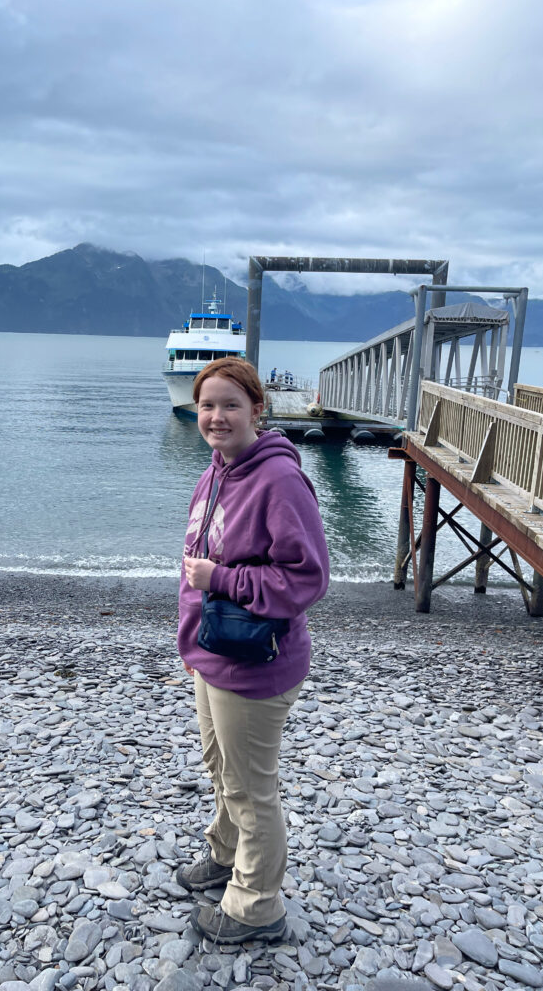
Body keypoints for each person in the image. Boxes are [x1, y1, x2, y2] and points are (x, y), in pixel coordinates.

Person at [176, 357, 330, 945]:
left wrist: (223, 582)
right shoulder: (216, 471)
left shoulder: (278, 480)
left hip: (256, 662)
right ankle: (225, 853)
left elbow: (307, 579)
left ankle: (256, 905)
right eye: (206, 405)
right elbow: (200, 564)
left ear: (257, 410)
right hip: (212, 653)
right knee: (222, 771)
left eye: (230, 405)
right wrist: (190, 641)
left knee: (249, 788)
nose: (216, 417)